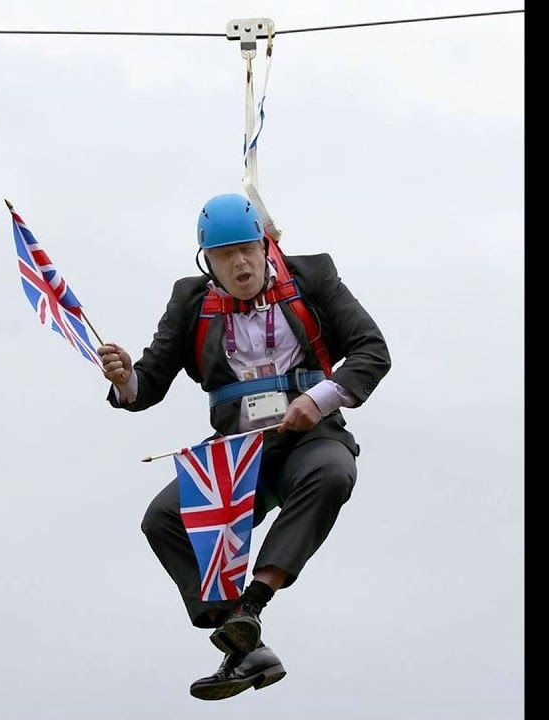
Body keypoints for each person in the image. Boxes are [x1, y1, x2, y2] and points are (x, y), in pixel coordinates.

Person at [98, 193, 390, 701]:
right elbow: (148, 383)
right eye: (225, 255)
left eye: (246, 250)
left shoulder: (313, 276)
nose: (240, 263)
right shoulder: (191, 301)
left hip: (309, 437)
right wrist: (125, 380)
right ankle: (242, 638)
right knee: (163, 518)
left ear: (264, 245)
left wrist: (319, 400)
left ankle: (252, 604)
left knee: (334, 472)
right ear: (207, 263)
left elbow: (372, 350)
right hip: (236, 452)